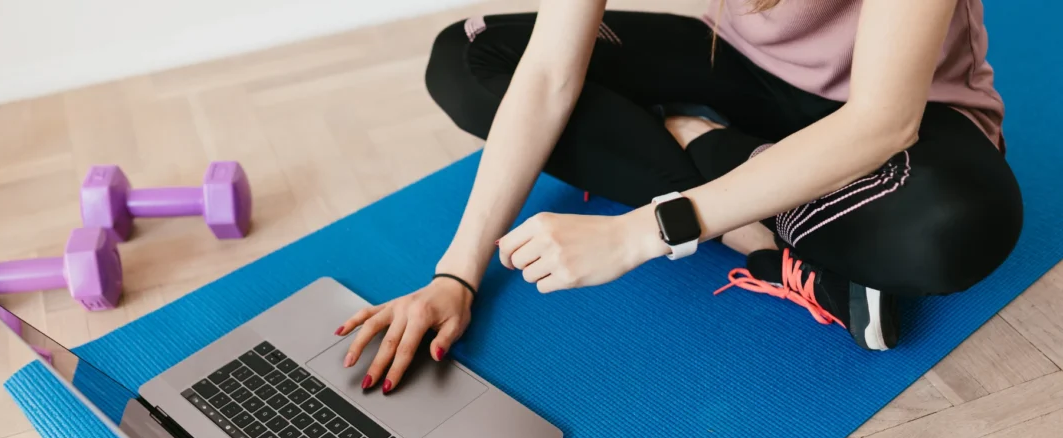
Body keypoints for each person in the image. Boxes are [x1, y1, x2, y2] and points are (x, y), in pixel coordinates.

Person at [336, 0, 1022, 393]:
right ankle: (762, 219)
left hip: (911, 130)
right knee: (467, 57)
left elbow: (882, 121)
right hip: (748, 75)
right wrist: (457, 271)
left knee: (953, 228)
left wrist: (643, 231)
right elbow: (547, 72)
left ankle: (704, 144)